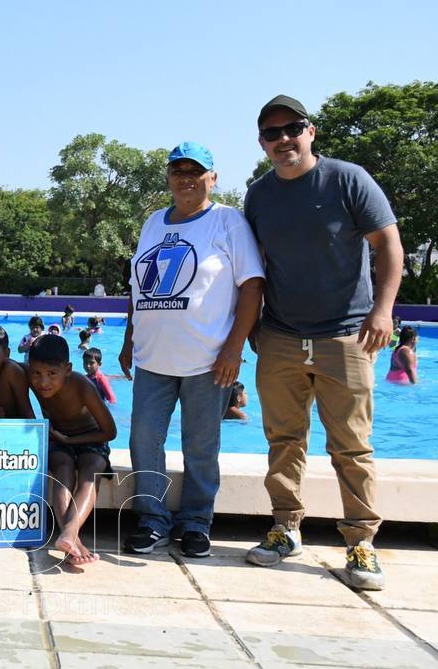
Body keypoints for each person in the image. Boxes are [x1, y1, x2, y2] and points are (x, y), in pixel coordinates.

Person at [242, 95, 403, 591]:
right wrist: (253, 324)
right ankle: (285, 528)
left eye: (293, 128)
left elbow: (389, 244)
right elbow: (257, 263)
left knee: (351, 445)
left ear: (311, 132)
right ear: (262, 143)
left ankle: (361, 541)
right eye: (273, 133)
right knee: (283, 440)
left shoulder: (347, 179)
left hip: (346, 335)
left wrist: (382, 310)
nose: (284, 138)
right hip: (283, 335)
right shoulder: (259, 195)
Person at [117, 142, 264, 559]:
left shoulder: (226, 221)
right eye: (177, 170)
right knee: (144, 439)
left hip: (208, 360)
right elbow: (137, 287)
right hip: (152, 358)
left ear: (212, 178)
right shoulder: (152, 223)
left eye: (195, 171)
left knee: (202, 445)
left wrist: (234, 348)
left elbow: (252, 285)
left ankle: (197, 523)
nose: (185, 178)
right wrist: (129, 340)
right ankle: (152, 521)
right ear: (168, 178)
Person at [27, 334, 117, 567]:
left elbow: (109, 431)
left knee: (90, 472)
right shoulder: (31, 377)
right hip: (59, 440)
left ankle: (69, 532)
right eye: (36, 373)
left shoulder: (82, 386)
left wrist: (70, 439)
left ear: (68, 369)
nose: (43, 382)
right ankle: (71, 537)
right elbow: (3, 366)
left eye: (52, 374)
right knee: (62, 468)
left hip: (91, 438)